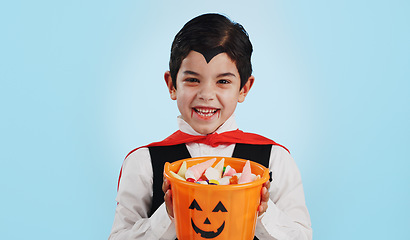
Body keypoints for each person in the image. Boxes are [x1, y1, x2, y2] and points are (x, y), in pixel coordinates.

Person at [109, 13, 312, 240]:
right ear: (171, 84)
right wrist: (167, 216)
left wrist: (263, 212)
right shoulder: (143, 163)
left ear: (244, 88)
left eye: (223, 81)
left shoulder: (274, 159)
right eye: (192, 80)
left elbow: (302, 236)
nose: (206, 95)